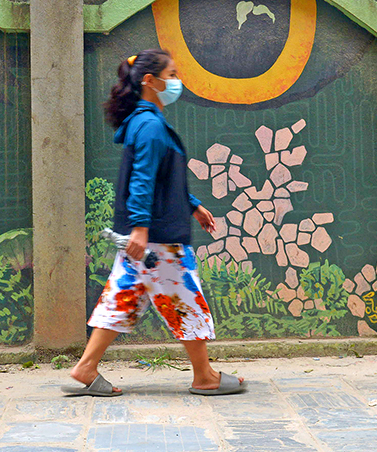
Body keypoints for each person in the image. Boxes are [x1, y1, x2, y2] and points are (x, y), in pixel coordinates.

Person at [63, 49, 245, 397]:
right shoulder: (150, 126)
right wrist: (141, 229)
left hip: (148, 234)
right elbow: (142, 181)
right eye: (172, 74)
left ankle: (86, 367)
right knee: (186, 302)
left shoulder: (145, 122)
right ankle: (204, 375)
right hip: (158, 238)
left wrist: (192, 205)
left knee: (122, 298)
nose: (177, 81)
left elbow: (162, 179)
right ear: (150, 80)